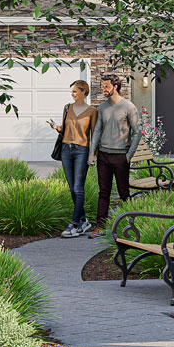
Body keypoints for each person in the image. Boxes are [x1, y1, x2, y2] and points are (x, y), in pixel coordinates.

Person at [89, 73, 141, 236]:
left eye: (106, 86)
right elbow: (97, 130)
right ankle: (100, 226)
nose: (103, 89)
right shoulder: (103, 107)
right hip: (103, 155)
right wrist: (92, 153)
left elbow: (138, 131)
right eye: (102, 86)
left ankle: (130, 226)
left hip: (121, 156)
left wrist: (129, 154)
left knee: (124, 193)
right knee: (103, 192)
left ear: (115, 87)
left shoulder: (128, 107)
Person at [48, 79, 98, 236]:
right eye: (72, 92)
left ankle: (75, 224)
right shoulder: (67, 108)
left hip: (81, 151)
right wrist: (57, 127)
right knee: (72, 189)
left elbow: (94, 135)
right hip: (65, 149)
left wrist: (93, 155)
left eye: (75, 91)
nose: (72, 94)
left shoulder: (91, 111)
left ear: (84, 92)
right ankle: (83, 221)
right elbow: (66, 128)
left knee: (78, 188)